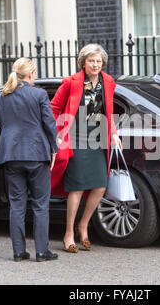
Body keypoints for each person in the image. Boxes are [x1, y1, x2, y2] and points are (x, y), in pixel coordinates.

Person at [50, 44, 122, 253]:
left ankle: (84, 225)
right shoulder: (71, 82)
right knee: (77, 186)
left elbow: (108, 111)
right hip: (75, 137)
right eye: (91, 61)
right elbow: (54, 108)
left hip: (97, 138)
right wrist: (56, 132)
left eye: (99, 61)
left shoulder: (108, 82)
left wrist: (114, 133)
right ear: (83, 62)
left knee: (100, 185)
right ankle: (69, 232)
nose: (95, 65)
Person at [0, 57, 59, 262]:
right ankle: (42, 252)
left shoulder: (3, 95)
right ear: (30, 74)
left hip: (11, 155)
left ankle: (19, 252)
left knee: (17, 205)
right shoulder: (39, 94)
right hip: (37, 154)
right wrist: (54, 147)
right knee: (40, 204)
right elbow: (50, 124)